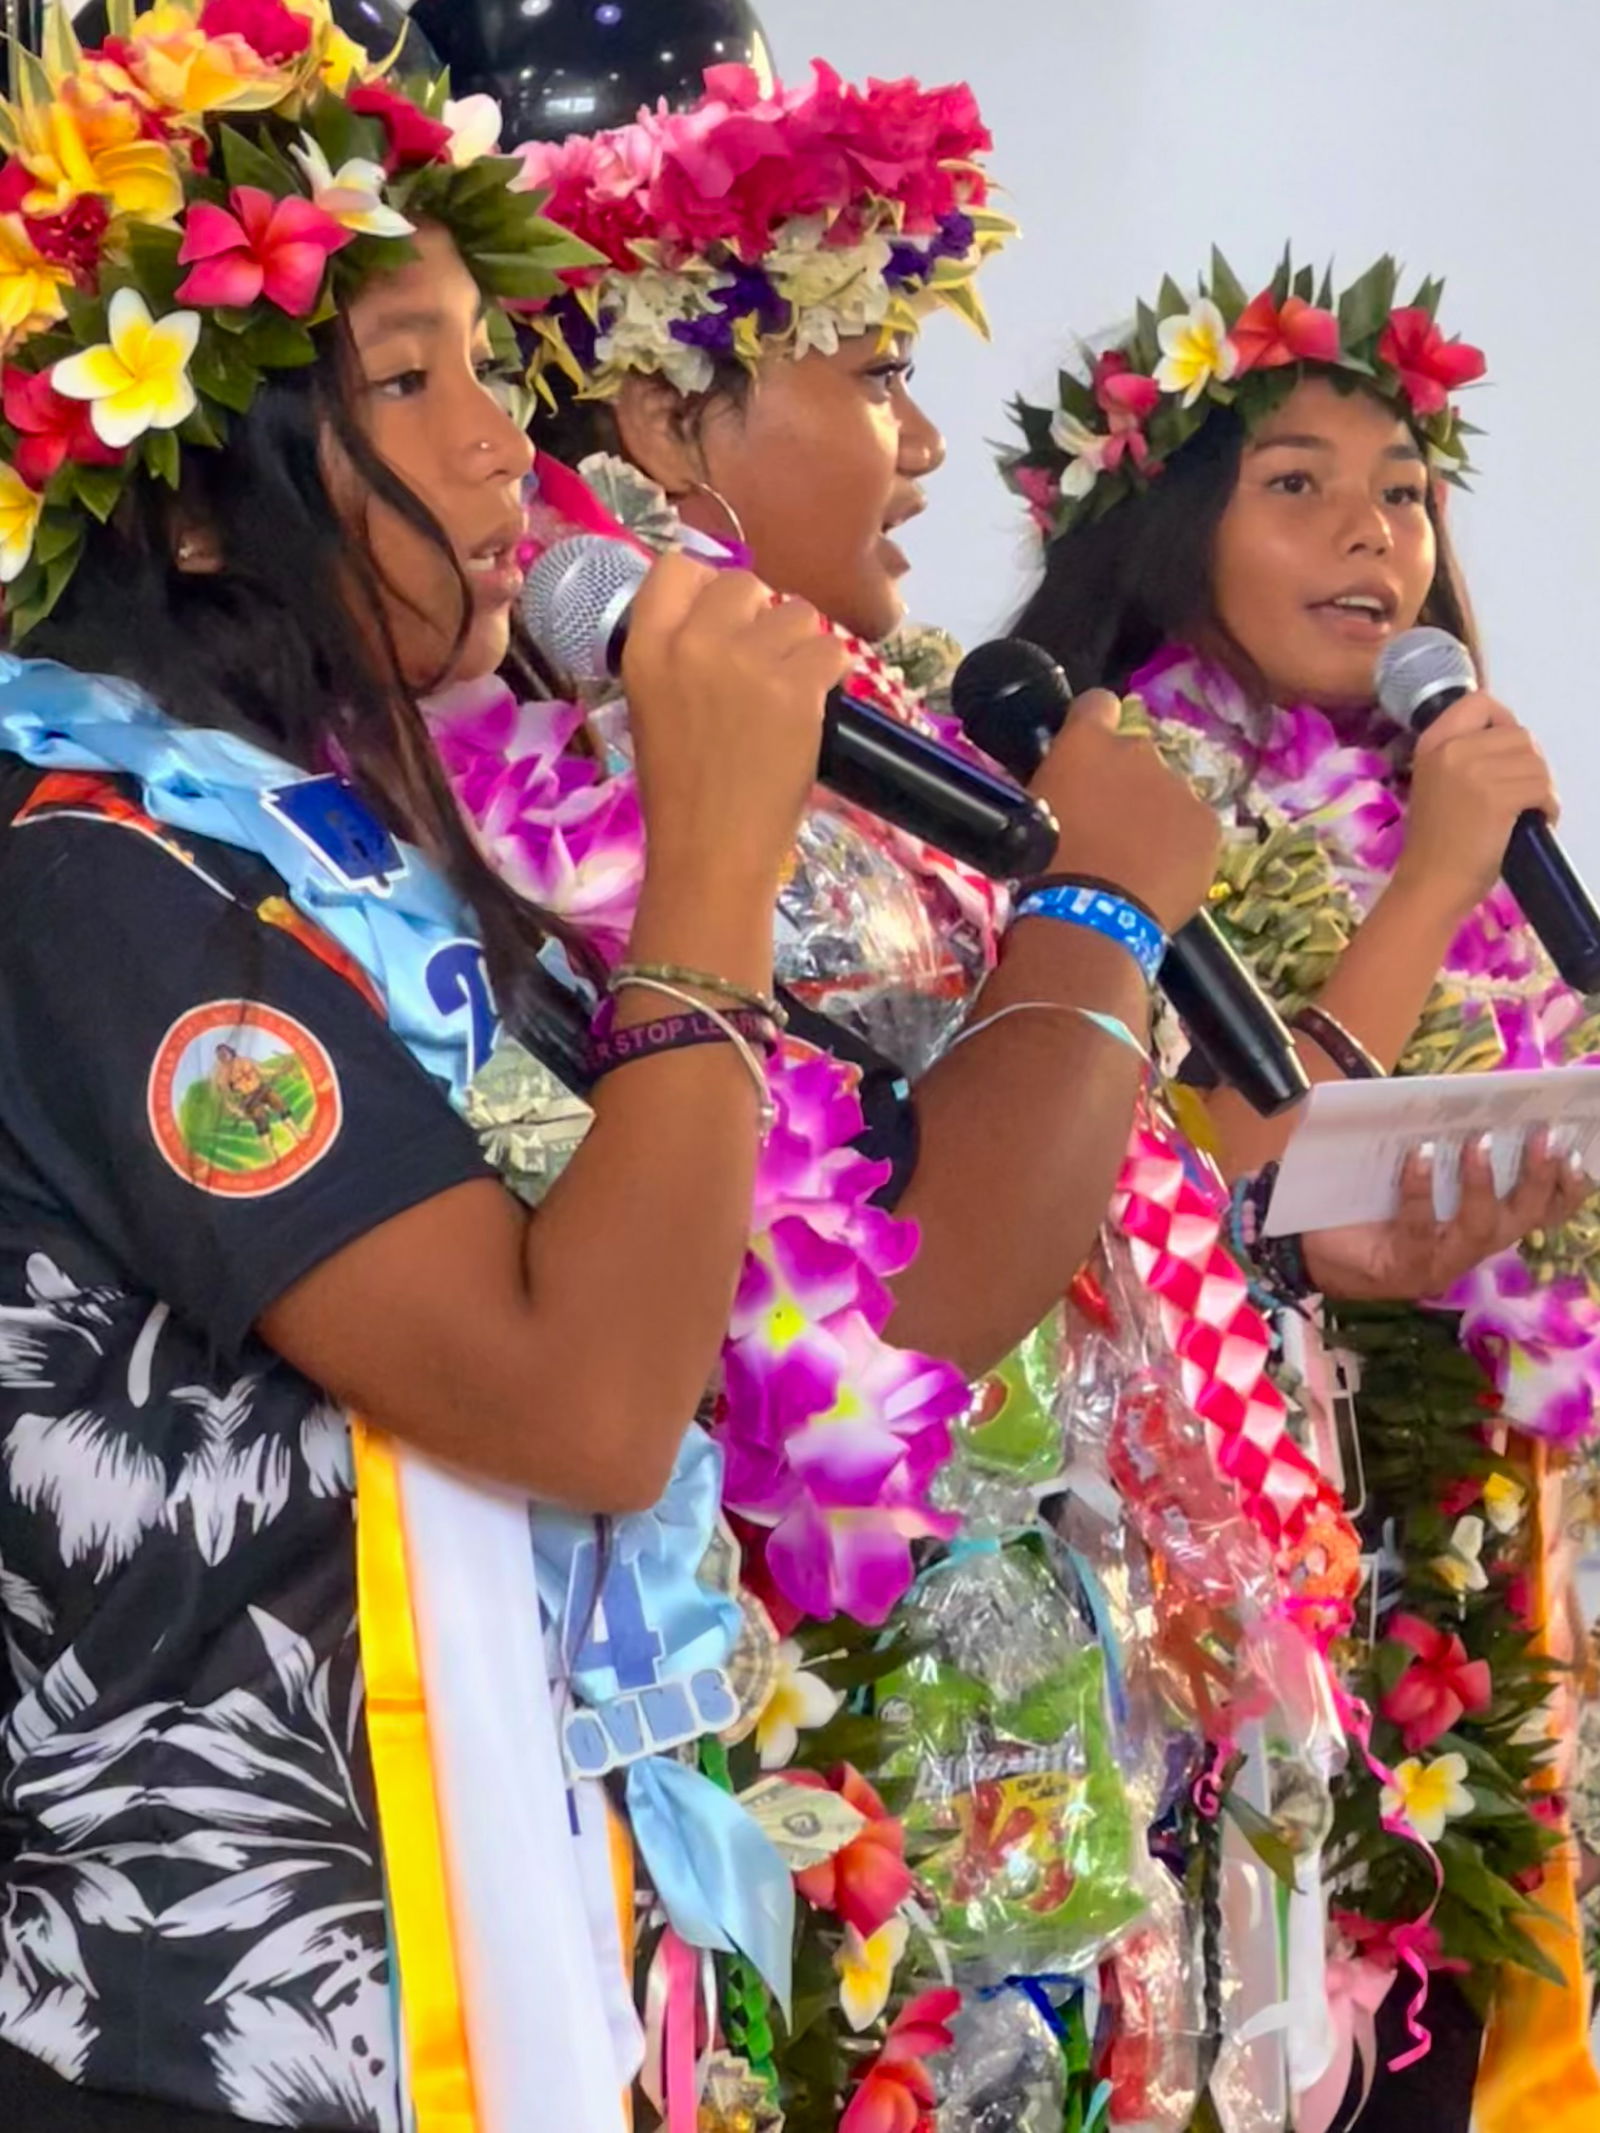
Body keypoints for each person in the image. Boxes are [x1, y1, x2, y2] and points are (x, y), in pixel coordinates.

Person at [1004, 250, 1600, 2133]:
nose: (1374, 533)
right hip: (1211, 1613)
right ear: (1167, 526)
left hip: (1441, 1568)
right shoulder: (1106, 798)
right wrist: (1431, 879)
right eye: (1299, 484)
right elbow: (1192, 1173)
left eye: (1405, 493)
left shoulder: (1429, 792)